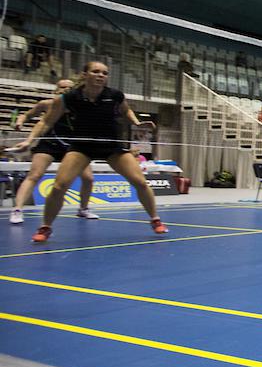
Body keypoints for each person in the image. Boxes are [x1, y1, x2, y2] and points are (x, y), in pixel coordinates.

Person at [12, 61, 167, 242]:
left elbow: (126, 110)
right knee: (59, 186)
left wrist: (137, 123)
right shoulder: (70, 97)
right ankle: (45, 227)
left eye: (104, 73)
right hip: (82, 146)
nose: (101, 75)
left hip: (111, 146)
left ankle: (155, 220)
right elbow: (46, 121)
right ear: (85, 74)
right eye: (96, 72)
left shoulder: (115, 95)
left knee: (140, 181)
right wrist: (30, 140)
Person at [10, 78, 99, 225]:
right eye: (61, 87)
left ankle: (83, 209)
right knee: (35, 175)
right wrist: (20, 121)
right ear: (55, 90)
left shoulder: (80, 106)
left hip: (72, 146)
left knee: (88, 178)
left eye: (68, 88)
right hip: (49, 143)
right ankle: (17, 210)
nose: (64, 90)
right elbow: (26, 115)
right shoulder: (46, 104)